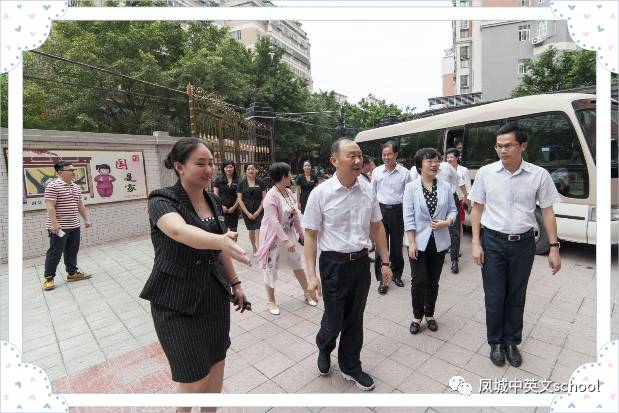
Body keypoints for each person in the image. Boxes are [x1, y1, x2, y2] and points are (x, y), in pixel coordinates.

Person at [139, 138, 251, 412]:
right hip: (175, 301)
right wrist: (222, 241)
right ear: (179, 166)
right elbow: (179, 231)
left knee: (216, 368)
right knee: (193, 380)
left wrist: (235, 283)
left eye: (210, 163)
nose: (209, 169)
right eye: (200, 163)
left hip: (213, 297)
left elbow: (220, 246)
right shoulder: (162, 199)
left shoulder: (213, 199)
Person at [469, 122, 561, 368]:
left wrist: (554, 247)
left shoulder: (538, 175)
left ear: (523, 145)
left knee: (516, 294)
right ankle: (495, 343)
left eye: (508, 145)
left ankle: (512, 341)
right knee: (495, 295)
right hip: (492, 242)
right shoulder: (486, 173)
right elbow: (476, 209)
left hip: (523, 244)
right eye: (499, 146)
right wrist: (476, 243)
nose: (503, 150)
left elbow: (548, 212)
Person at [303, 138, 393, 391]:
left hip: (361, 262)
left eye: (360, 156)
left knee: (355, 318)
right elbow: (310, 235)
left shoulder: (368, 189)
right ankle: (324, 345)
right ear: (334, 161)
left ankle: (350, 365)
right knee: (334, 320)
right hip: (333, 264)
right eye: (350, 156)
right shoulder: (321, 193)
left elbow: (377, 226)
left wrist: (385, 262)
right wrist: (311, 276)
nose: (357, 161)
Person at [403, 148, 458, 335]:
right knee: (419, 280)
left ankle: (430, 313)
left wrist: (447, 222)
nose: (434, 164)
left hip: (439, 241)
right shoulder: (411, 188)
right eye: (429, 161)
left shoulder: (445, 186)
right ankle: (417, 316)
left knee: (433, 281)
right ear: (420, 165)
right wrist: (411, 242)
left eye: (436, 160)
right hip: (418, 241)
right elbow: (408, 217)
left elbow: (453, 210)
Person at [256, 162, 318, 315]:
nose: (291, 176)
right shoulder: (271, 196)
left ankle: (307, 293)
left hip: (288, 234)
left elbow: (295, 215)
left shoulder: (288, 192)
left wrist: (301, 233)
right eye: (289, 174)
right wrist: (285, 240)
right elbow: (274, 222)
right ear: (283, 176)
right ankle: (271, 300)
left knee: (297, 263)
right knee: (270, 268)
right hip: (273, 238)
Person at [42, 161, 93, 291]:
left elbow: (80, 204)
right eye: (70, 170)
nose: (73, 172)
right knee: (55, 252)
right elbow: (50, 206)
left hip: (74, 225)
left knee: (72, 250)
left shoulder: (75, 187)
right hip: (59, 228)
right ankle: (48, 277)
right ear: (60, 172)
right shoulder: (52, 186)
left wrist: (86, 219)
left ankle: (72, 273)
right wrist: (54, 224)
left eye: (74, 169)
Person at [370, 141, 411, 293]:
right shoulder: (377, 172)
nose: (386, 157)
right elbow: (372, 194)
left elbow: (408, 195)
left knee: (397, 246)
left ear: (396, 155)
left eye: (389, 154)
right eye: (383, 155)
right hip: (380, 211)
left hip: (398, 211)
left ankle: (397, 275)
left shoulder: (405, 173)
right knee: (381, 246)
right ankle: (381, 279)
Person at [445, 148, 471, 273]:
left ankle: (454, 260)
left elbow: (461, 182)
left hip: (453, 200)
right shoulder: (435, 168)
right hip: (438, 200)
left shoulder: (448, 168)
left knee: (455, 230)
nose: (432, 163)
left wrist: (467, 199)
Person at [237, 163, 266, 254]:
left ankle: (260, 247)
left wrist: (258, 211)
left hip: (260, 210)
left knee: (259, 228)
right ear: (245, 171)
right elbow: (239, 200)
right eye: (248, 169)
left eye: (252, 169)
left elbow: (264, 198)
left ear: (256, 170)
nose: (251, 171)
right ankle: (254, 247)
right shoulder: (241, 183)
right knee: (251, 230)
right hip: (247, 211)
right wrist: (247, 213)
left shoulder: (261, 182)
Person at [213, 160, 240, 232]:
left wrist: (234, 207)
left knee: (233, 231)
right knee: (222, 230)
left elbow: (239, 196)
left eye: (230, 167)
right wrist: (221, 206)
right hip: (221, 210)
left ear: (234, 168)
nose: (229, 169)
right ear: (223, 169)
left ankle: (232, 243)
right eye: (226, 167)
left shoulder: (238, 181)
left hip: (233, 210)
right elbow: (215, 194)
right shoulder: (218, 180)